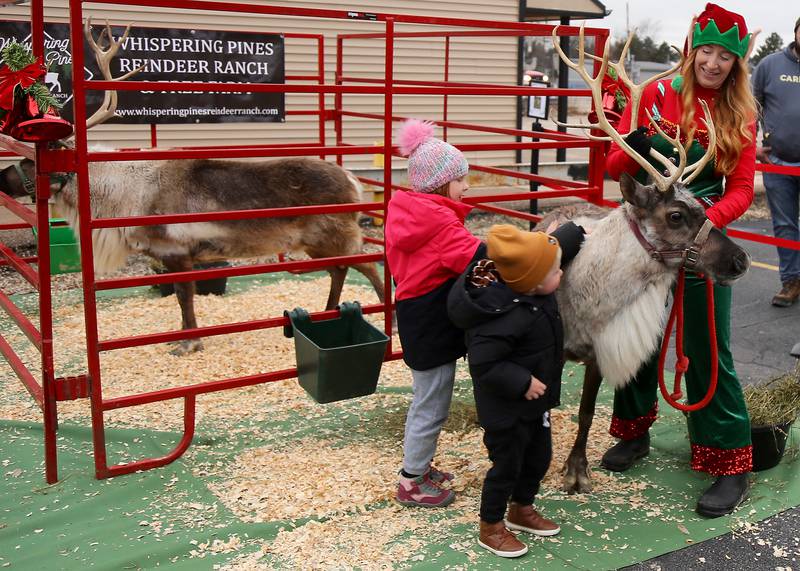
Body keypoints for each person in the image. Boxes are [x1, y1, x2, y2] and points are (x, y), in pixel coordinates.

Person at [602, 3, 758, 518]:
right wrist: (629, 141)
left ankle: (730, 463)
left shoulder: (741, 115)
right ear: (691, 50)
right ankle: (632, 432)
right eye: (706, 52)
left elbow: (739, 190)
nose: (713, 63)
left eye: (725, 57)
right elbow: (615, 164)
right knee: (638, 340)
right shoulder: (653, 94)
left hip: (702, 243)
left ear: (738, 64)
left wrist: (708, 217)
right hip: (647, 244)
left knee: (709, 348)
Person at [447, 222, 585, 558]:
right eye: (556, 272)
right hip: (506, 411)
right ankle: (490, 526)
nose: (561, 275)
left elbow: (552, 252)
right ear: (533, 283)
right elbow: (484, 364)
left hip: (536, 405)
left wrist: (576, 230)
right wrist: (522, 382)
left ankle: (521, 508)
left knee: (539, 458)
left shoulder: (535, 287)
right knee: (506, 466)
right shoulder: (500, 316)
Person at [385, 118, 485, 508]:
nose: (466, 187)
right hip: (431, 324)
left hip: (415, 317)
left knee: (426, 398)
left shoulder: (410, 211)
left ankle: (420, 468)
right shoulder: (441, 223)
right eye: (461, 180)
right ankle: (412, 480)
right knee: (431, 403)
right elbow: (479, 258)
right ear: (443, 183)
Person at [752, 17, 800, 307]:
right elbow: (750, 107)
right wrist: (752, 145)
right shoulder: (769, 65)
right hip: (778, 163)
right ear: (795, 32)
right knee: (784, 225)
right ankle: (791, 280)